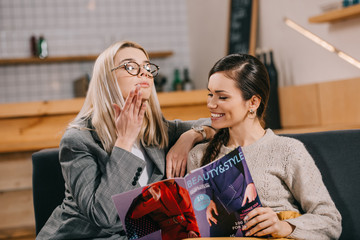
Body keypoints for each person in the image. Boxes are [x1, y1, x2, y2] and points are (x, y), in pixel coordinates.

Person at [37, 40, 213, 239]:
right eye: (131, 66)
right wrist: (125, 140)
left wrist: (193, 135)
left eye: (147, 67)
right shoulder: (78, 140)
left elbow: (219, 122)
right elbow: (103, 215)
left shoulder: (158, 130)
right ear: (107, 79)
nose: (144, 72)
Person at [187, 53, 342, 240]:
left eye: (222, 97)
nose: (211, 104)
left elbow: (331, 221)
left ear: (253, 102)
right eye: (210, 94)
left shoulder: (288, 150)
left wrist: (284, 226)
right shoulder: (198, 156)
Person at [125, 179, 200, 240]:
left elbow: (191, 215)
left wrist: (192, 229)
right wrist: (152, 199)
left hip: (189, 232)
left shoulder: (184, 191)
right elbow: (134, 214)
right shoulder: (152, 189)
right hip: (171, 234)